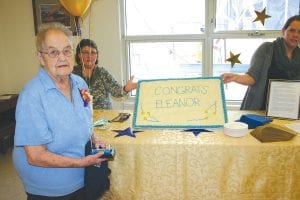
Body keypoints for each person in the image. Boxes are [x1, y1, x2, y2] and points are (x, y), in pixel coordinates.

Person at [12, 22, 108, 200]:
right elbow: (36, 156)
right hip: (50, 186)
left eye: (67, 50)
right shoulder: (32, 96)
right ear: (40, 57)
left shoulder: (80, 83)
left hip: (82, 175)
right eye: (54, 52)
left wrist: (92, 139)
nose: (62, 58)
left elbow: (85, 116)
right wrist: (81, 162)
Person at [221, 15, 300, 110]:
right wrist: (235, 77)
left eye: (299, 32)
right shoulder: (266, 49)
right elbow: (252, 77)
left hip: (288, 110)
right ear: (283, 31)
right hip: (260, 108)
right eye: (292, 30)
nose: (295, 35)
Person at [73, 39, 137, 109]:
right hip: (81, 116)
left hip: (103, 117)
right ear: (79, 55)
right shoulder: (72, 74)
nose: (89, 56)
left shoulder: (102, 73)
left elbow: (116, 92)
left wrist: (126, 89)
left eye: (93, 53)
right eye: (85, 52)